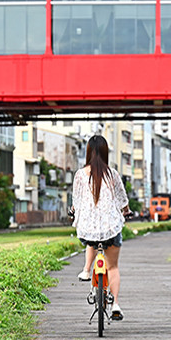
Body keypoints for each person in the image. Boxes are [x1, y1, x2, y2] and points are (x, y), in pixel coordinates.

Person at [72, 135, 131, 320]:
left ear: (88, 152)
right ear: (106, 152)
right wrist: (127, 211)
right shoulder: (112, 174)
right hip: (111, 228)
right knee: (112, 267)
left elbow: (77, 201)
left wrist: (73, 211)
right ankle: (116, 304)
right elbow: (122, 199)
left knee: (92, 240)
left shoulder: (80, 175)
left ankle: (86, 269)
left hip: (88, 228)